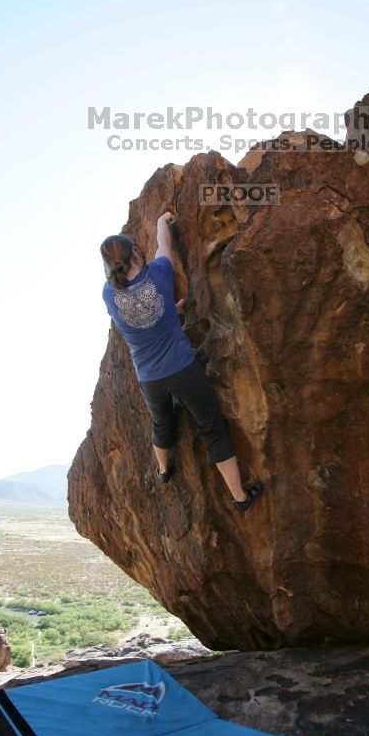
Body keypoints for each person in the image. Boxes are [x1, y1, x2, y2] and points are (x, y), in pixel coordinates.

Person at [100, 211, 264, 512]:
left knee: (162, 424)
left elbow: (142, 317)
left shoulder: (109, 294)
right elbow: (164, 245)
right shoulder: (159, 274)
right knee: (211, 429)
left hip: (150, 378)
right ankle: (240, 497)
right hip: (182, 369)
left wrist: (169, 311)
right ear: (136, 251)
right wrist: (161, 221)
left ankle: (164, 471)